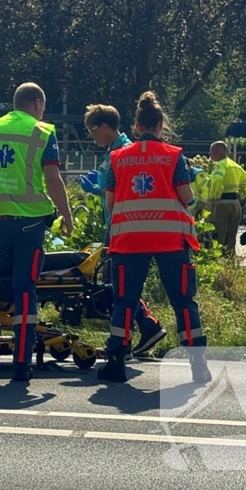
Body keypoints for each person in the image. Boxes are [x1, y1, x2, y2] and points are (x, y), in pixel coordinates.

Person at [0, 82, 74, 382]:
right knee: (25, 290)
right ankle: (22, 364)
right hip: (30, 226)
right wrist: (67, 215)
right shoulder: (43, 132)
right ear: (36, 103)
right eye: (42, 108)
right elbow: (52, 178)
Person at [99, 91, 210, 384]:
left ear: (135, 127)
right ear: (161, 125)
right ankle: (198, 365)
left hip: (129, 241)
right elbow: (186, 198)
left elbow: (110, 203)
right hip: (170, 241)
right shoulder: (175, 157)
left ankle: (116, 363)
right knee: (183, 302)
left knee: (124, 301)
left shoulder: (117, 158)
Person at [80, 104, 167, 358]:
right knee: (118, 284)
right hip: (118, 222)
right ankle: (139, 331)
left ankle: (135, 334)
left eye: (93, 129)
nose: (92, 135)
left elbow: (120, 191)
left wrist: (99, 190)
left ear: (106, 127)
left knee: (117, 284)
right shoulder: (115, 150)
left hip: (120, 225)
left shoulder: (122, 151)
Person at [205, 141, 246, 258]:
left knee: (219, 237)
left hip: (221, 204)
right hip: (235, 204)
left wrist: (213, 198)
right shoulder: (235, 165)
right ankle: (230, 262)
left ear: (220, 151)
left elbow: (217, 180)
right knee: (231, 236)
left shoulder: (221, 165)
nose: (210, 154)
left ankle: (218, 264)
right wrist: (241, 195)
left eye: (211, 151)